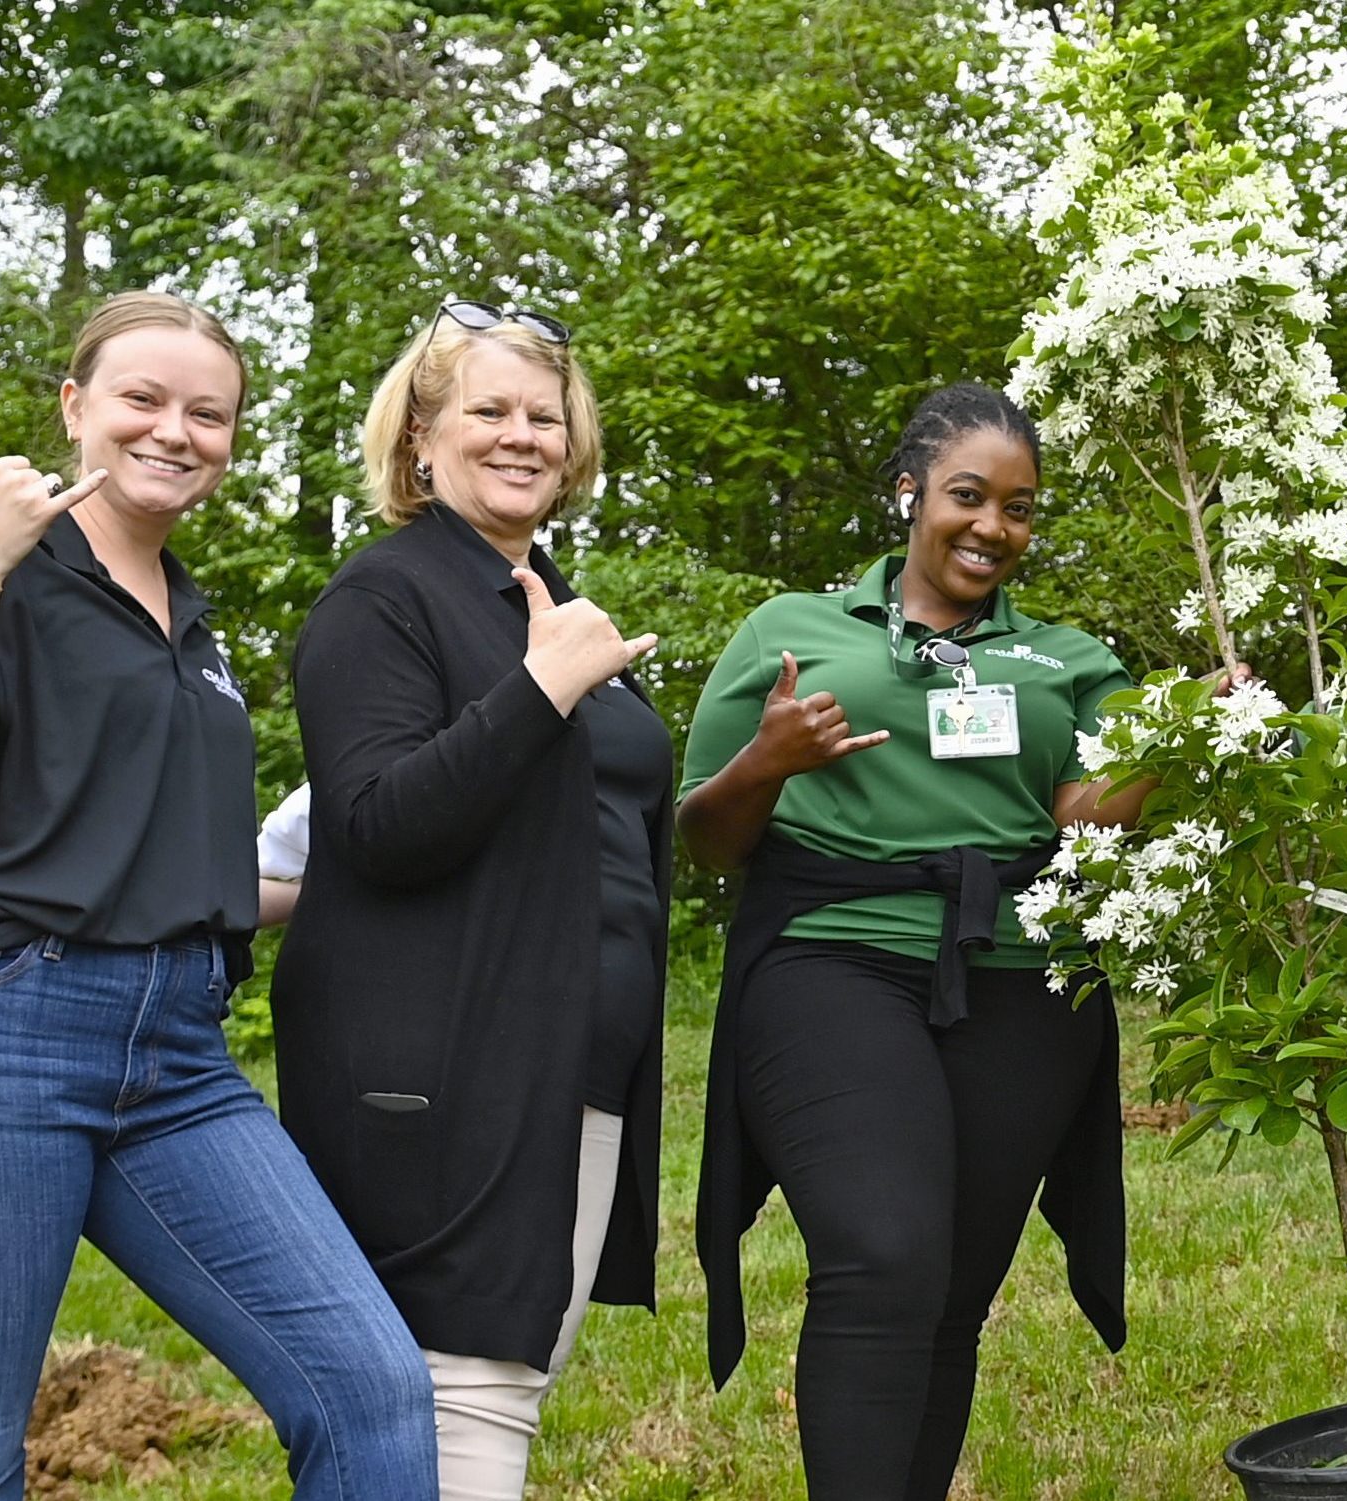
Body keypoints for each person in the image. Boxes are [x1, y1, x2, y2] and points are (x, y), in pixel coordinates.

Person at [0, 290, 435, 1499]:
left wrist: (392, 859)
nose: (175, 431)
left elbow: (183, 874)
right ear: (75, 407)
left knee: (370, 1388)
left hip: (171, 1055)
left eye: (208, 413)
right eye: (142, 399)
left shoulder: (191, 621)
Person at [679, 383, 1138, 1500]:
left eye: (1019, 509)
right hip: (831, 957)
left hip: (1024, 980)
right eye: (968, 497)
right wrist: (767, 759)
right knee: (882, 1252)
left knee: (953, 1287)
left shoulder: (1068, 657)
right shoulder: (791, 631)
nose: (992, 527)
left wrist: (1182, 748)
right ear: (909, 493)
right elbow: (703, 837)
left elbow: (1084, 811)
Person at [268, 300, 670, 1500]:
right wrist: (543, 688)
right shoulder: (381, 602)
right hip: (442, 1070)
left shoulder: (538, 598)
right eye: (487, 411)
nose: (521, 435)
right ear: (419, 442)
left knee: (514, 1376)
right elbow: (379, 825)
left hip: (576, 1070)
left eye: (543, 416)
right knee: (461, 1392)